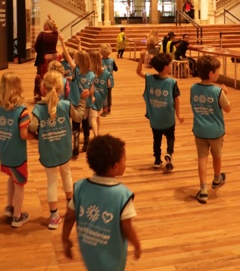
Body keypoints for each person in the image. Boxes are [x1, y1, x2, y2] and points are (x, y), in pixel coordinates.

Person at [62, 134, 141, 270]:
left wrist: (65, 239)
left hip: (88, 253)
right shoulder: (122, 195)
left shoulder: (80, 187)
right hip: (113, 258)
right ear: (115, 166)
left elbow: (69, 216)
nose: (125, 163)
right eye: (124, 160)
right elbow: (126, 227)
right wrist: (137, 245)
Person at [29, 70, 89, 229]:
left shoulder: (39, 108)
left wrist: (39, 135)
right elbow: (79, 117)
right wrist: (83, 100)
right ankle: (70, 207)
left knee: (51, 181)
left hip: (48, 151)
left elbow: (33, 126)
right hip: (64, 149)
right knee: (66, 174)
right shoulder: (66, 105)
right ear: (61, 87)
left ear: (43, 88)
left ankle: (54, 216)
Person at [0, 72, 35, 228]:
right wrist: (36, 137)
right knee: (20, 185)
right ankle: (17, 216)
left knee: (11, 177)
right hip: (17, 155)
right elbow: (24, 135)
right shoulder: (21, 111)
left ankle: (9, 207)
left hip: (3, 152)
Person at [190, 55, 231, 204]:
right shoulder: (217, 91)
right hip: (215, 131)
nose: (219, 73)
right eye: (217, 70)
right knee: (217, 155)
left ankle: (203, 189)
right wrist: (225, 94)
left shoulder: (193, 88)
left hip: (199, 130)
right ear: (211, 73)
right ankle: (216, 179)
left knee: (202, 158)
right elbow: (227, 109)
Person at [136, 51, 185, 172]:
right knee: (170, 137)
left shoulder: (150, 78)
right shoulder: (172, 82)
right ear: (165, 67)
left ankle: (157, 160)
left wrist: (142, 58)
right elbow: (176, 99)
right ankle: (169, 153)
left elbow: (138, 72)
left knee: (156, 139)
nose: (171, 65)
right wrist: (178, 114)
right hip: (168, 117)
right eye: (169, 63)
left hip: (155, 118)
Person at [59, 34, 95, 155]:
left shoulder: (75, 70)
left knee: (75, 125)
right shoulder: (91, 74)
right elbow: (91, 90)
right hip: (87, 103)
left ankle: (75, 146)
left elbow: (68, 56)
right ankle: (86, 144)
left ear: (78, 61)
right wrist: (90, 95)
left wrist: (62, 42)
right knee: (85, 124)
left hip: (75, 102)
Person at [33, 14, 59, 102]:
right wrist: (51, 19)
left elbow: (36, 46)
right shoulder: (55, 34)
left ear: (47, 26)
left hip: (44, 57)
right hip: (54, 57)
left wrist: (40, 52)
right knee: (52, 75)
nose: (43, 26)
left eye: (44, 24)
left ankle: (39, 94)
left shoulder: (42, 34)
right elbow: (56, 28)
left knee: (40, 76)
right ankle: (52, 92)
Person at [88, 50, 110, 136]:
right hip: (102, 95)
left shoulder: (90, 71)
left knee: (93, 118)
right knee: (97, 115)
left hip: (93, 96)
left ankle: (96, 136)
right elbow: (109, 84)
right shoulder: (105, 71)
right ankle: (97, 133)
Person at [100, 43, 118, 116]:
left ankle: (104, 110)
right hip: (110, 80)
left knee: (104, 95)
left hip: (102, 81)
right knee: (109, 95)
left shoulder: (99, 61)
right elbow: (116, 69)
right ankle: (109, 108)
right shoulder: (112, 60)